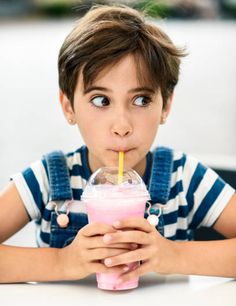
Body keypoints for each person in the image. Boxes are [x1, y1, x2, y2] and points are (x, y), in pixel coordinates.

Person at [0, 4, 235, 285]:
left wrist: (173, 255)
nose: (122, 125)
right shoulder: (47, 180)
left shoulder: (184, 179)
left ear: (166, 105)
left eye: (141, 100)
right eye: (101, 100)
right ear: (69, 106)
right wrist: (62, 261)